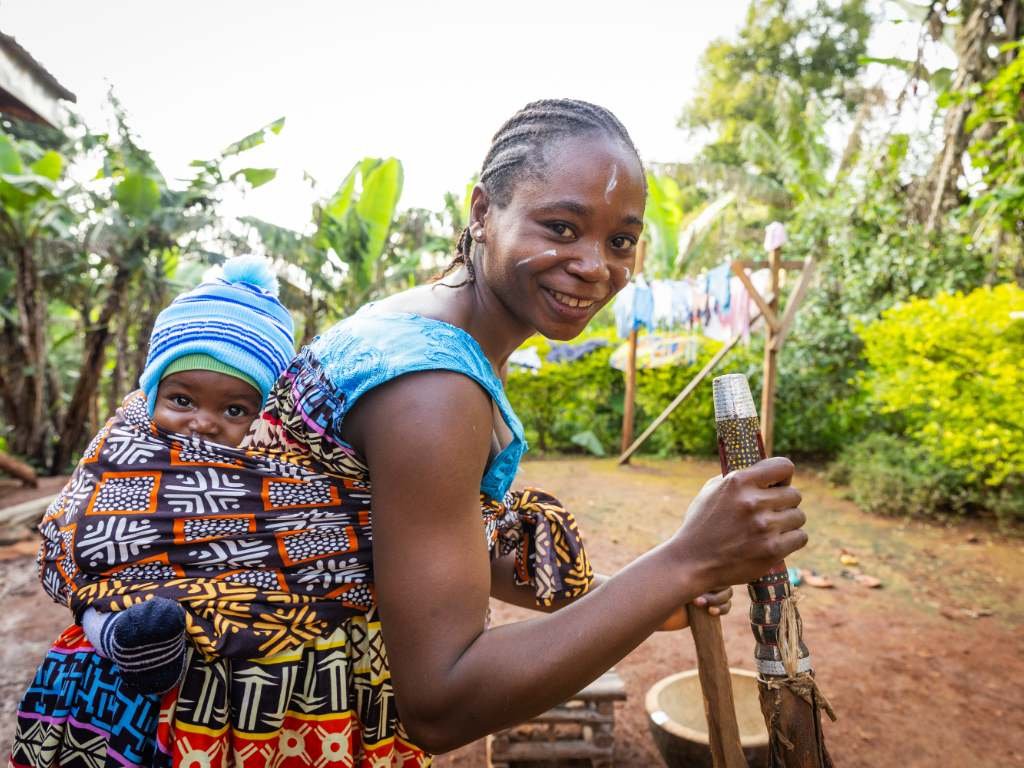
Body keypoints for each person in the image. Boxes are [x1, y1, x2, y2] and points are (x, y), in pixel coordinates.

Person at [10, 99, 805, 768]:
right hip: (219, 718)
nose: (595, 264)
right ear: (482, 212)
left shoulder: (409, 324)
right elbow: (443, 699)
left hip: (190, 696)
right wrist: (685, 560)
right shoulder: (434, 390)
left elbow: (387, 540)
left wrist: (655, 589)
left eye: (620, 240)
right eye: (561, 226)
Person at [67, 255, 298, 695]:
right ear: (153, 394)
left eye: (234, 409)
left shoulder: (276, 470)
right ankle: (121, 639)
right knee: (93, 600)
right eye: (182, 401)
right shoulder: (121, 448)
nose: (203, 422)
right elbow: (74, 535)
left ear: (264, 414)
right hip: (120, 612)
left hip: (238, 661)